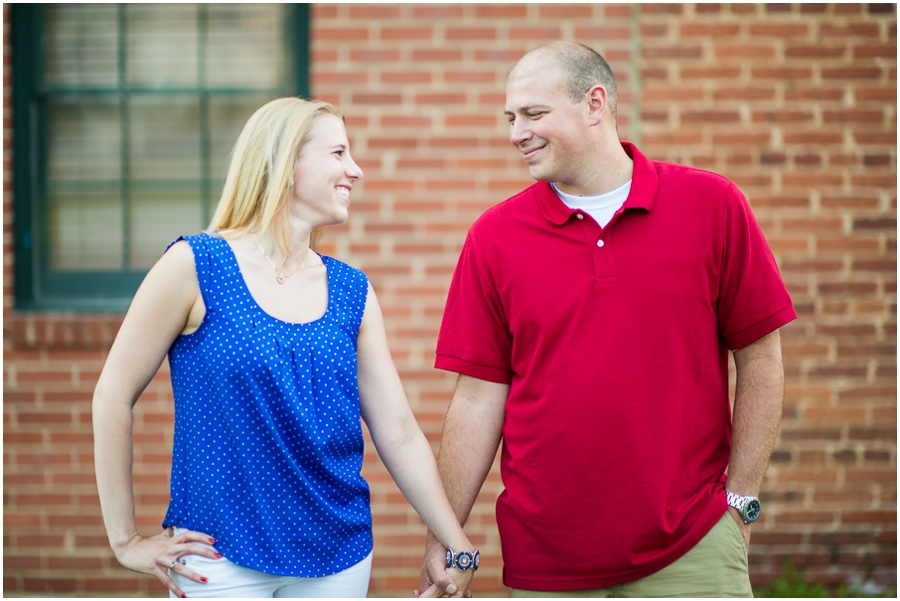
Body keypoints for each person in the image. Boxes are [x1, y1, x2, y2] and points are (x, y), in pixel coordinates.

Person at [417, 42, 796, 598]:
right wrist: (447, 538)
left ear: (595, 104)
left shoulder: (711, 205)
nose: (516, 132)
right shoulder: (494, 238)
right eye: (510, 118)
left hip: (692, 552)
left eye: (533, 114)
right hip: (547, 565)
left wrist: (739, 501)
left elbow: (761, 357)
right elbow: (477, 399)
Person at [93, 97, 480, 599]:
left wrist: (457, 546)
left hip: (337, 557)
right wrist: (124, 540)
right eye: (338, 153)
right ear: (284, 163)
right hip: (218, 557)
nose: (355, 170)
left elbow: (399, 433)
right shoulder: (196, 265)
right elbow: (112, 395)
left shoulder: (351, 291)